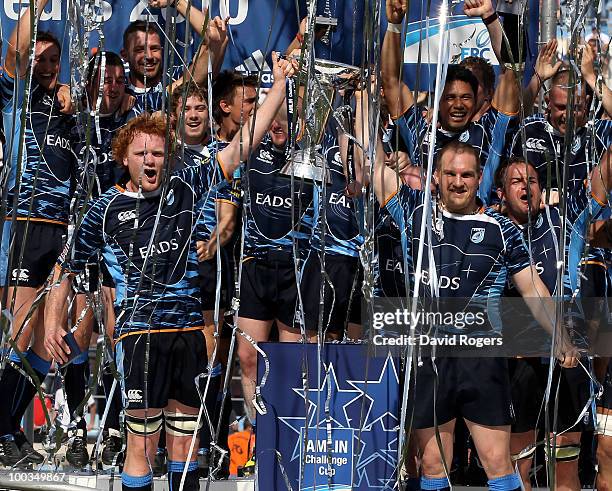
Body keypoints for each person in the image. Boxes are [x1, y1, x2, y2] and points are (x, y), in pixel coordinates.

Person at [43, 53, 294, 491]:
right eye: (141, 153)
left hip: (188, 333)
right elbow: (64, 268)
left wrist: (279, 86)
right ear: (125, 158)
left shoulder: (186, 186)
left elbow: (244, 144)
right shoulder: (104, 211)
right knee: (142, 446)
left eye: (158, 152)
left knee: (186, 444)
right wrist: (50, 323)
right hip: (140, 337)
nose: (151, 160)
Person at [367, 130, 579, 490]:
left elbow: (534, 290)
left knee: (497, 462)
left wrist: (560, 337)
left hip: (481, 357)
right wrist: (359, 101)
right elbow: (372, 165)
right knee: (433, 464)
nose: (458, 182)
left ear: (479, 178)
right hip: (429, 354)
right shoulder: (415, 212)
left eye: (466, 175)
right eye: (451, 174)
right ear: (436, 176)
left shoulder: (503, 230)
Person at [494, 155, 612, 490]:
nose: (525, 187)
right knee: (519, 470)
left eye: (531, 181)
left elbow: (602, 177)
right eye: (516, 182)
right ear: (501, 193)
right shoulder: (491, 232)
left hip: (568, 363)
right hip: (520, 365)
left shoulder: (562, 222)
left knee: (565, 471)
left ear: (542, 191)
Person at [0, 0, 76, 467]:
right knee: (22, 333)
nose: (46, 67)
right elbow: (13, 52)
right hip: (25, 224)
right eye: (38, 59)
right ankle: (5, 428)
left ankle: (6, 424)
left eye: (53, 60)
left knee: (54, 340)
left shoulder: (69, 107)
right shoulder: (15, 98)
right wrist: (38, 8)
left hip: (64, 233)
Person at [382, 0, 519, 171]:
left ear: (477, 99)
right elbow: (390, 80)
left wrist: (490, 17)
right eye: (450, 97)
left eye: (466, 97)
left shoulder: (487, 132)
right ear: (438, 100)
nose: (458, 105)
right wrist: (394, 25)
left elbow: (512, 71)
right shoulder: (420, 132)